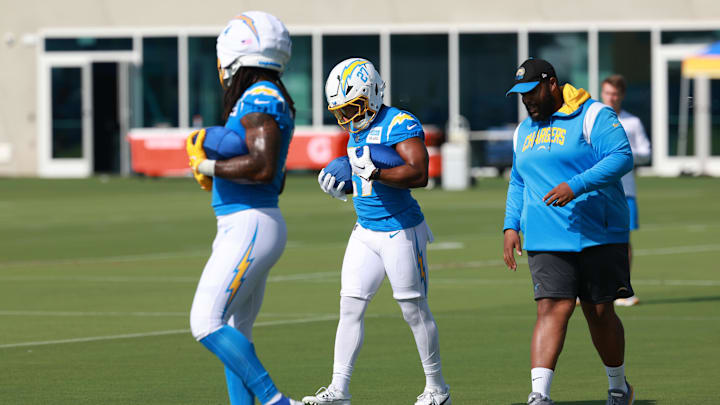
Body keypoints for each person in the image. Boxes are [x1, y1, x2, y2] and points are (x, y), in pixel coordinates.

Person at [302, 58, 450, 405]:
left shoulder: (400, 123)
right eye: (341, 111)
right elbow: (365, 175)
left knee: (413, 310)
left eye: (353, 107)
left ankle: (437, 389)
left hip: (400, 229)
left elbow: (419, 174)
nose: (348, 118)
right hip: (365, 229)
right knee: (350, 307)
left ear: (371, 94)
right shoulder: (356, 129)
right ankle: (339, 390)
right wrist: (347, 186)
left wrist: (374, 174)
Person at [502, 58, 635, 405]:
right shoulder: (523, 131)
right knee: (552, 308)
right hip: (546, 236)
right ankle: (539, 395)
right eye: (521, 96)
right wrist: (510, 225)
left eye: (531, 92)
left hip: (599, 233)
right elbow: (518, 180)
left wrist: (575, 186)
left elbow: (622, 156)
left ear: (552, 84)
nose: (527, 101)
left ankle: (619, 387)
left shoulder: (594, 116)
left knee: (600, 312)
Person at [185, 11, 302, 405]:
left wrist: (208, 164)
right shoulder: (270, 95)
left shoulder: (259, 96)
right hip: (249, 220)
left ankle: (274, 400)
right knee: (236, 327)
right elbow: (276, 174)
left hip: (249, 222)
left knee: (204, 322)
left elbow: (264, 167)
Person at [601, 75, 651, 307]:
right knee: (592, 241)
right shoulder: (594, 119)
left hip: (625, 191)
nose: (610, 98)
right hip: (597, 191)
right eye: (607, 93)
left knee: (622, 242)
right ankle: (589, 289)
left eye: (614, 94)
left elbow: (646, 152)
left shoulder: (632, 122)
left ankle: (623, 289)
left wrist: (625, 152)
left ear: (621, 95)